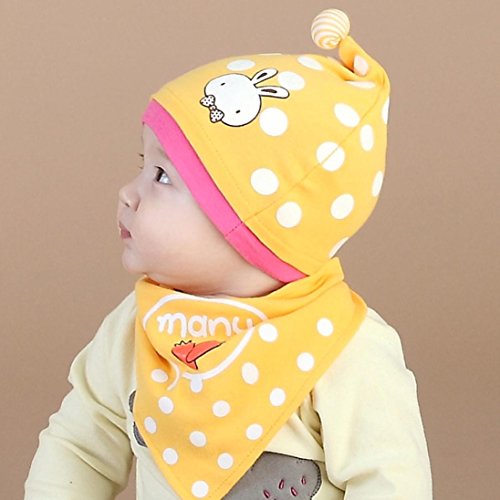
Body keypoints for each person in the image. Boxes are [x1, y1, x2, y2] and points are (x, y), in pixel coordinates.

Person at [25, 8, 432, 499]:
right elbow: (80, 447)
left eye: (162, 176)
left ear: (249, 228)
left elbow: (390, 482)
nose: (128, 193)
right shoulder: (139, 325)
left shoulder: (345, 348)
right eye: (142, 164)